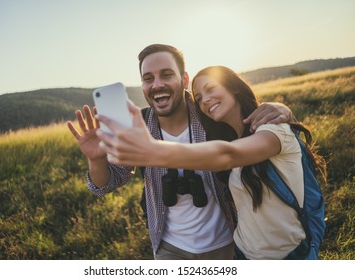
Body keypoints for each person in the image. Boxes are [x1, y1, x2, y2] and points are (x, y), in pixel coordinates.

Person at [67, 44, 294, 260]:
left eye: (166, 74)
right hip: (169, 248)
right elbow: (108, 183)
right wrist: (96, 159)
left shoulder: (210, 113)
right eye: (148, 78)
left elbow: (245, 127)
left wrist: (282, 109)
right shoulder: (139, 125)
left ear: (184, 79)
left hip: (227, 242)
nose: (157, 85)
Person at [96, 65, 327, 260]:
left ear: (234, 88)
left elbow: (226, 155)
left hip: (287, 256)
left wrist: (152, 150)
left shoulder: (272, 130)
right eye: (199, 97)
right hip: (243, 254)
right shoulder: (227, 134)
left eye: (210, 89)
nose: (205, 100)